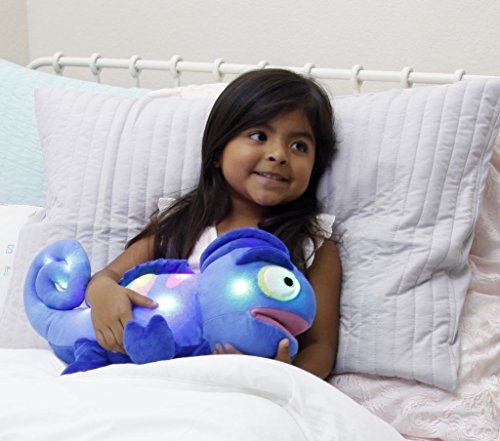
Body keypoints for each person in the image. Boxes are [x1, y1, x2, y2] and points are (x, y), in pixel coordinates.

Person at [85, 68, 342, 380]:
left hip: (253, 388)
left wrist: (280, 375)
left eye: (299, 145)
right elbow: (107, 277)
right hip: (161, 376)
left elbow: (321, 346)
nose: (279, 155)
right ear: (218, 151)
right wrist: (102, 291)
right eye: (259, 136)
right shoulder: (182, 223)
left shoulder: (312, 242)